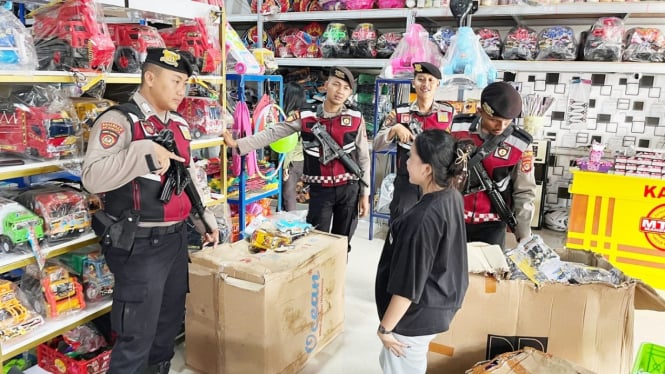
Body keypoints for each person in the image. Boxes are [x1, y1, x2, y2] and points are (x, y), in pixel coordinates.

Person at [82, 48, 219, 374]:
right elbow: (91, 177)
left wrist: (203, 220)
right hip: (140, 245)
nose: (181, 90)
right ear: (150, 77)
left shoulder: (180, 126)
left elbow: (185, 178)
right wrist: (143, 153)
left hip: (175, 241)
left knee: (166, 329)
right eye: (175, 81)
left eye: (185, 83)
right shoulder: (120, 120)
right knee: (136, 336)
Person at [223, 66, 370, 251]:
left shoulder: (355, 117)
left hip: (349, 189)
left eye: (346, 88)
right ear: (326, 86)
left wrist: (366, 193)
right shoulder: (306, 115)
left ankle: (336, 279)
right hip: (320, 192)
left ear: (350, 92)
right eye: (336, 84)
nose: (340, 91)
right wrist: (239, 144)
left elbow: (364, 157)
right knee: (316, 243)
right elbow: (273, 133)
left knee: (342, 244)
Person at [375, 129, 470, 374]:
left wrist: (385, 329)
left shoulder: (421, 220)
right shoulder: (451, 197)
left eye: (412, 157)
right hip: (440, 302)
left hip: (415, 317)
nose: (406, 161)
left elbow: (408, 287)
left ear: (427, 169)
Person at [450, 81, 536, 248]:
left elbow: (524, 191)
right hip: (453, 218)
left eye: (507, 121)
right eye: (494, 120)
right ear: (480, 111)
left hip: (492, 225)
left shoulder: (520, 144)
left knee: (487, 272)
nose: (501, 127)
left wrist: (524, 234)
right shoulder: (457, 127)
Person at [373, 62, 454, 219]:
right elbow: (376, 144)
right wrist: (394, 129)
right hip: (407, 182)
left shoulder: (449, 113)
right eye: (421, 79)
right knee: (401, 223)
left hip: (436, 182)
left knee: (432, 226)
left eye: (431, 80)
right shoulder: (399, 112)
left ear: (438, 84)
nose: (425, 84)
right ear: (413, 82)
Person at [281, 82, 306, 211]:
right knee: (288, 195)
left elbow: (290, 143)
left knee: (288, 196)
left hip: (291, 162)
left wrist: (285, 166)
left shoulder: (292, 116)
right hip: (300, 160)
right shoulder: (302, 114)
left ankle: (291, 223)